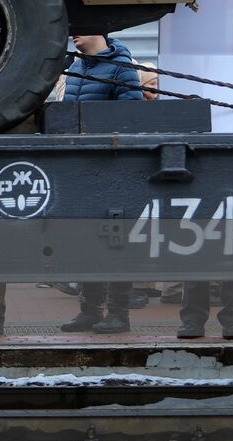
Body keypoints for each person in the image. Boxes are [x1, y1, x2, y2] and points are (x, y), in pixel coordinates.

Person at [61, 34, 142, 334]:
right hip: (80, 168)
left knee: (115, 243)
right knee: (85, 242)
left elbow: (131, 120)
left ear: (100, 32)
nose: (73, 33)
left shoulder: (121, 68)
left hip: (113, 168)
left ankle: (119, 314)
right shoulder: (75, 67)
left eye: (81, 27)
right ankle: (90, 310)